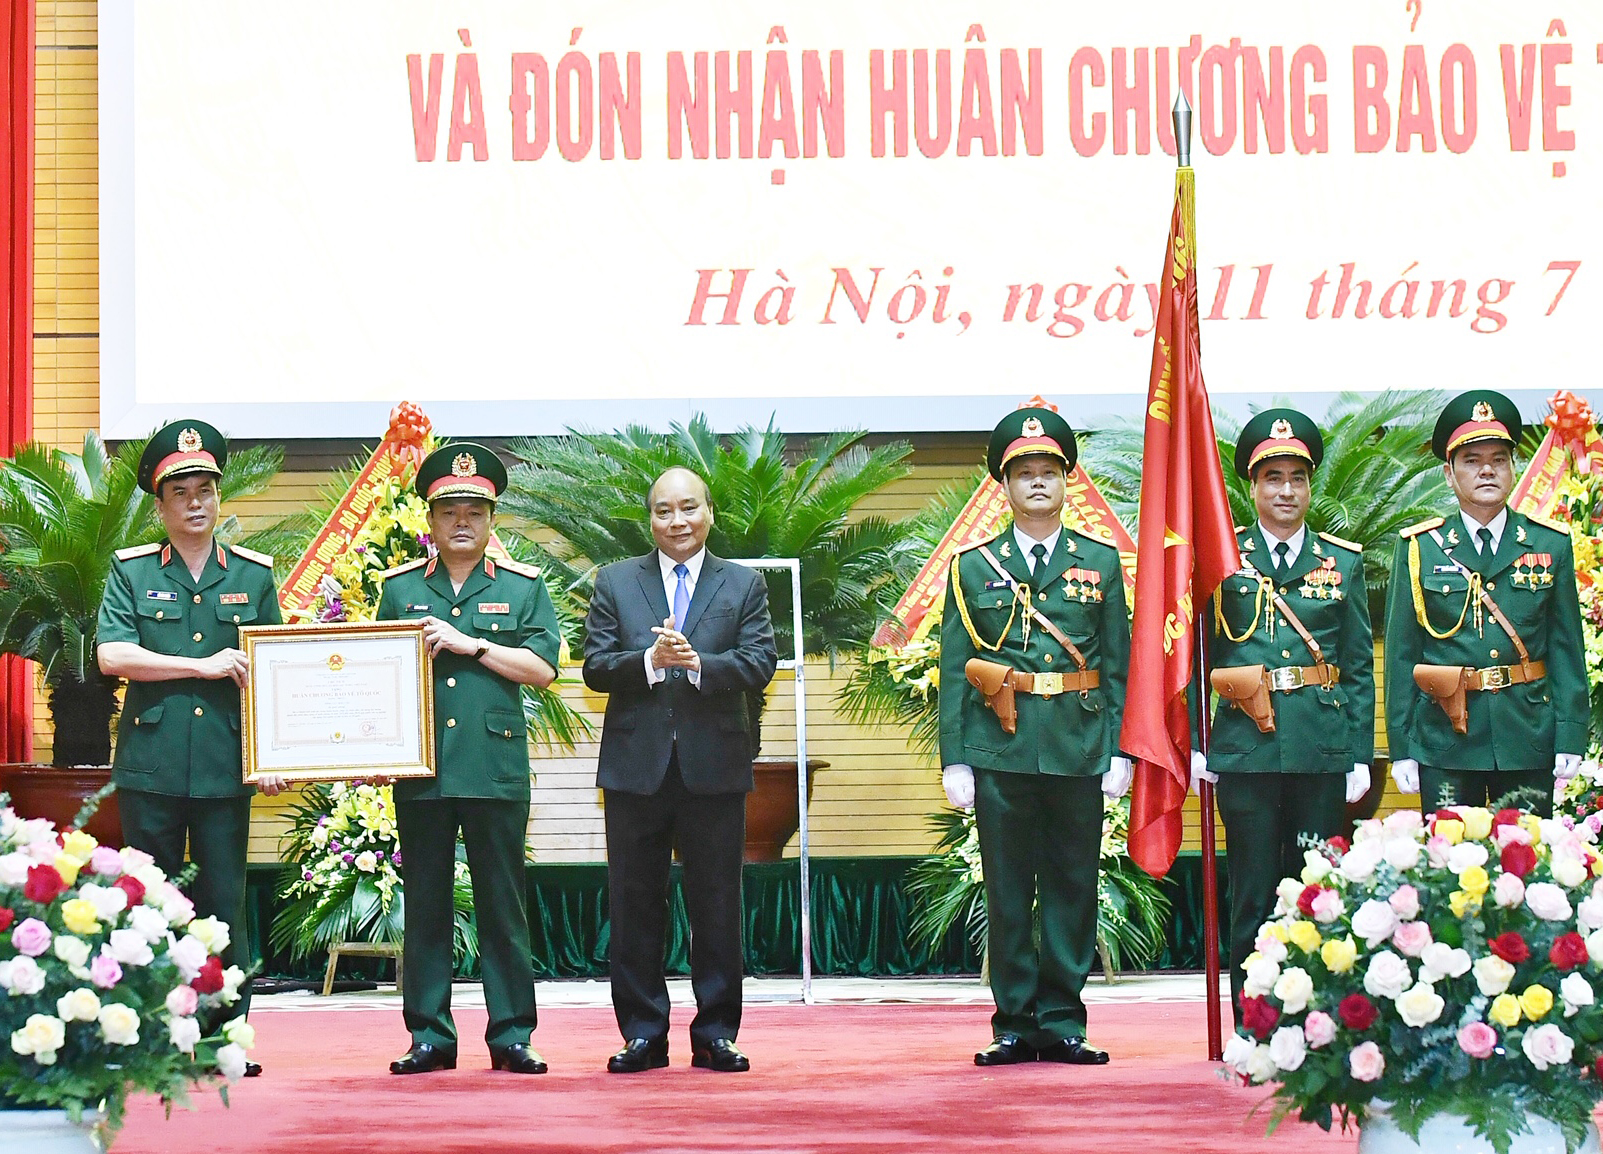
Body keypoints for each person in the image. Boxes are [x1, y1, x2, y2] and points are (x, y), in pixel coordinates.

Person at [938, 406, 1130, 1067]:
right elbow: (955, 667)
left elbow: (1117, 662)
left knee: (1073, 885)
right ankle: (1014, 1023)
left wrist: (1120, 748)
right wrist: (956, 758)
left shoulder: (1099, 561)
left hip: (1078, 744)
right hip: (1001, 746)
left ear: (1068, 480)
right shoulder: (973, 566)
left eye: (1050, 470)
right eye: (1025, 473)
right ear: (1004, 485)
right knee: (1008, 888)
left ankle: (1064, 1020)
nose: (1038, 482)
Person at [97, 419, 284, 1076]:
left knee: (223, 908)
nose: (195, 502)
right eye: (181, 493)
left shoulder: (254, 577)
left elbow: (273, 672)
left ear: (218, 497)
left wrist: (272, 756)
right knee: (148, 906)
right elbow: (113, 654)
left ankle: (222, 1038)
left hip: (224, 767)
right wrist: (200, 667)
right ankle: (149, 1037)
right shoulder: (132, 572)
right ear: (161, 505)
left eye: (205, 489)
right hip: (150, 766)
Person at [583, 466, 778, 1074]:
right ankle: (643, 1034)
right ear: (650, 519)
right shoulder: (616, 581)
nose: (677, 521)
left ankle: (716, 1033)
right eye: (663, 510)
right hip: (635, 768)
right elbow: (594, 665)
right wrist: (649, 660)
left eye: (688, 508)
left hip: (714, 767)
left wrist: (698, 665)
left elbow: (760, 662)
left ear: (709, 512)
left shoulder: (742, 584)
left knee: (716, 906)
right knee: (634, 905)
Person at [377, 443, 562, 1075]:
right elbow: (379, 674)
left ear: (491, 520)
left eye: (475, 511)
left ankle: (512, 1034)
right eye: (449, 511)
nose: (462, 522)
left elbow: (542, 669)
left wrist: (473, 644)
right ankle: (429, 1035)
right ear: (429, 520)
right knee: (426, 906)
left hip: (492, 765)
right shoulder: (400, 589)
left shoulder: (522, 587)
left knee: (502, 907)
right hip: (423, 769)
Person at [1189, 408, 1374, 1020]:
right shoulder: (1221, 560)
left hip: (1320, 748)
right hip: (1245, 751)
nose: (1286, 490)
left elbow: (1356, 666)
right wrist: (1197, 742)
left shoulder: (1341, 561)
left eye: (1297, 478)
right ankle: (1253, 1019)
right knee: (1252, 892)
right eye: (1273, 478)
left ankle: (1316, 1020)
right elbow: (1194, 658)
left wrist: (1357, 754)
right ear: (1251, 487)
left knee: (1318, 890)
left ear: (1310, 485)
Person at [1384, 390, 1587, 817]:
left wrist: (1570, 735)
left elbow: (1567, 650)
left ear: (1513, 468)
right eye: (1472, 461)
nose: (1487, 470)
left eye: (1499, 459)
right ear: (1449, 474)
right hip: (1446, 740)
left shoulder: (1549, 544)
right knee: (1448, 854)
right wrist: (1401, 747)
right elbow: (1403, 655)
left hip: (1528, 735)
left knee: (1528, 854)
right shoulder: (1421, 547)